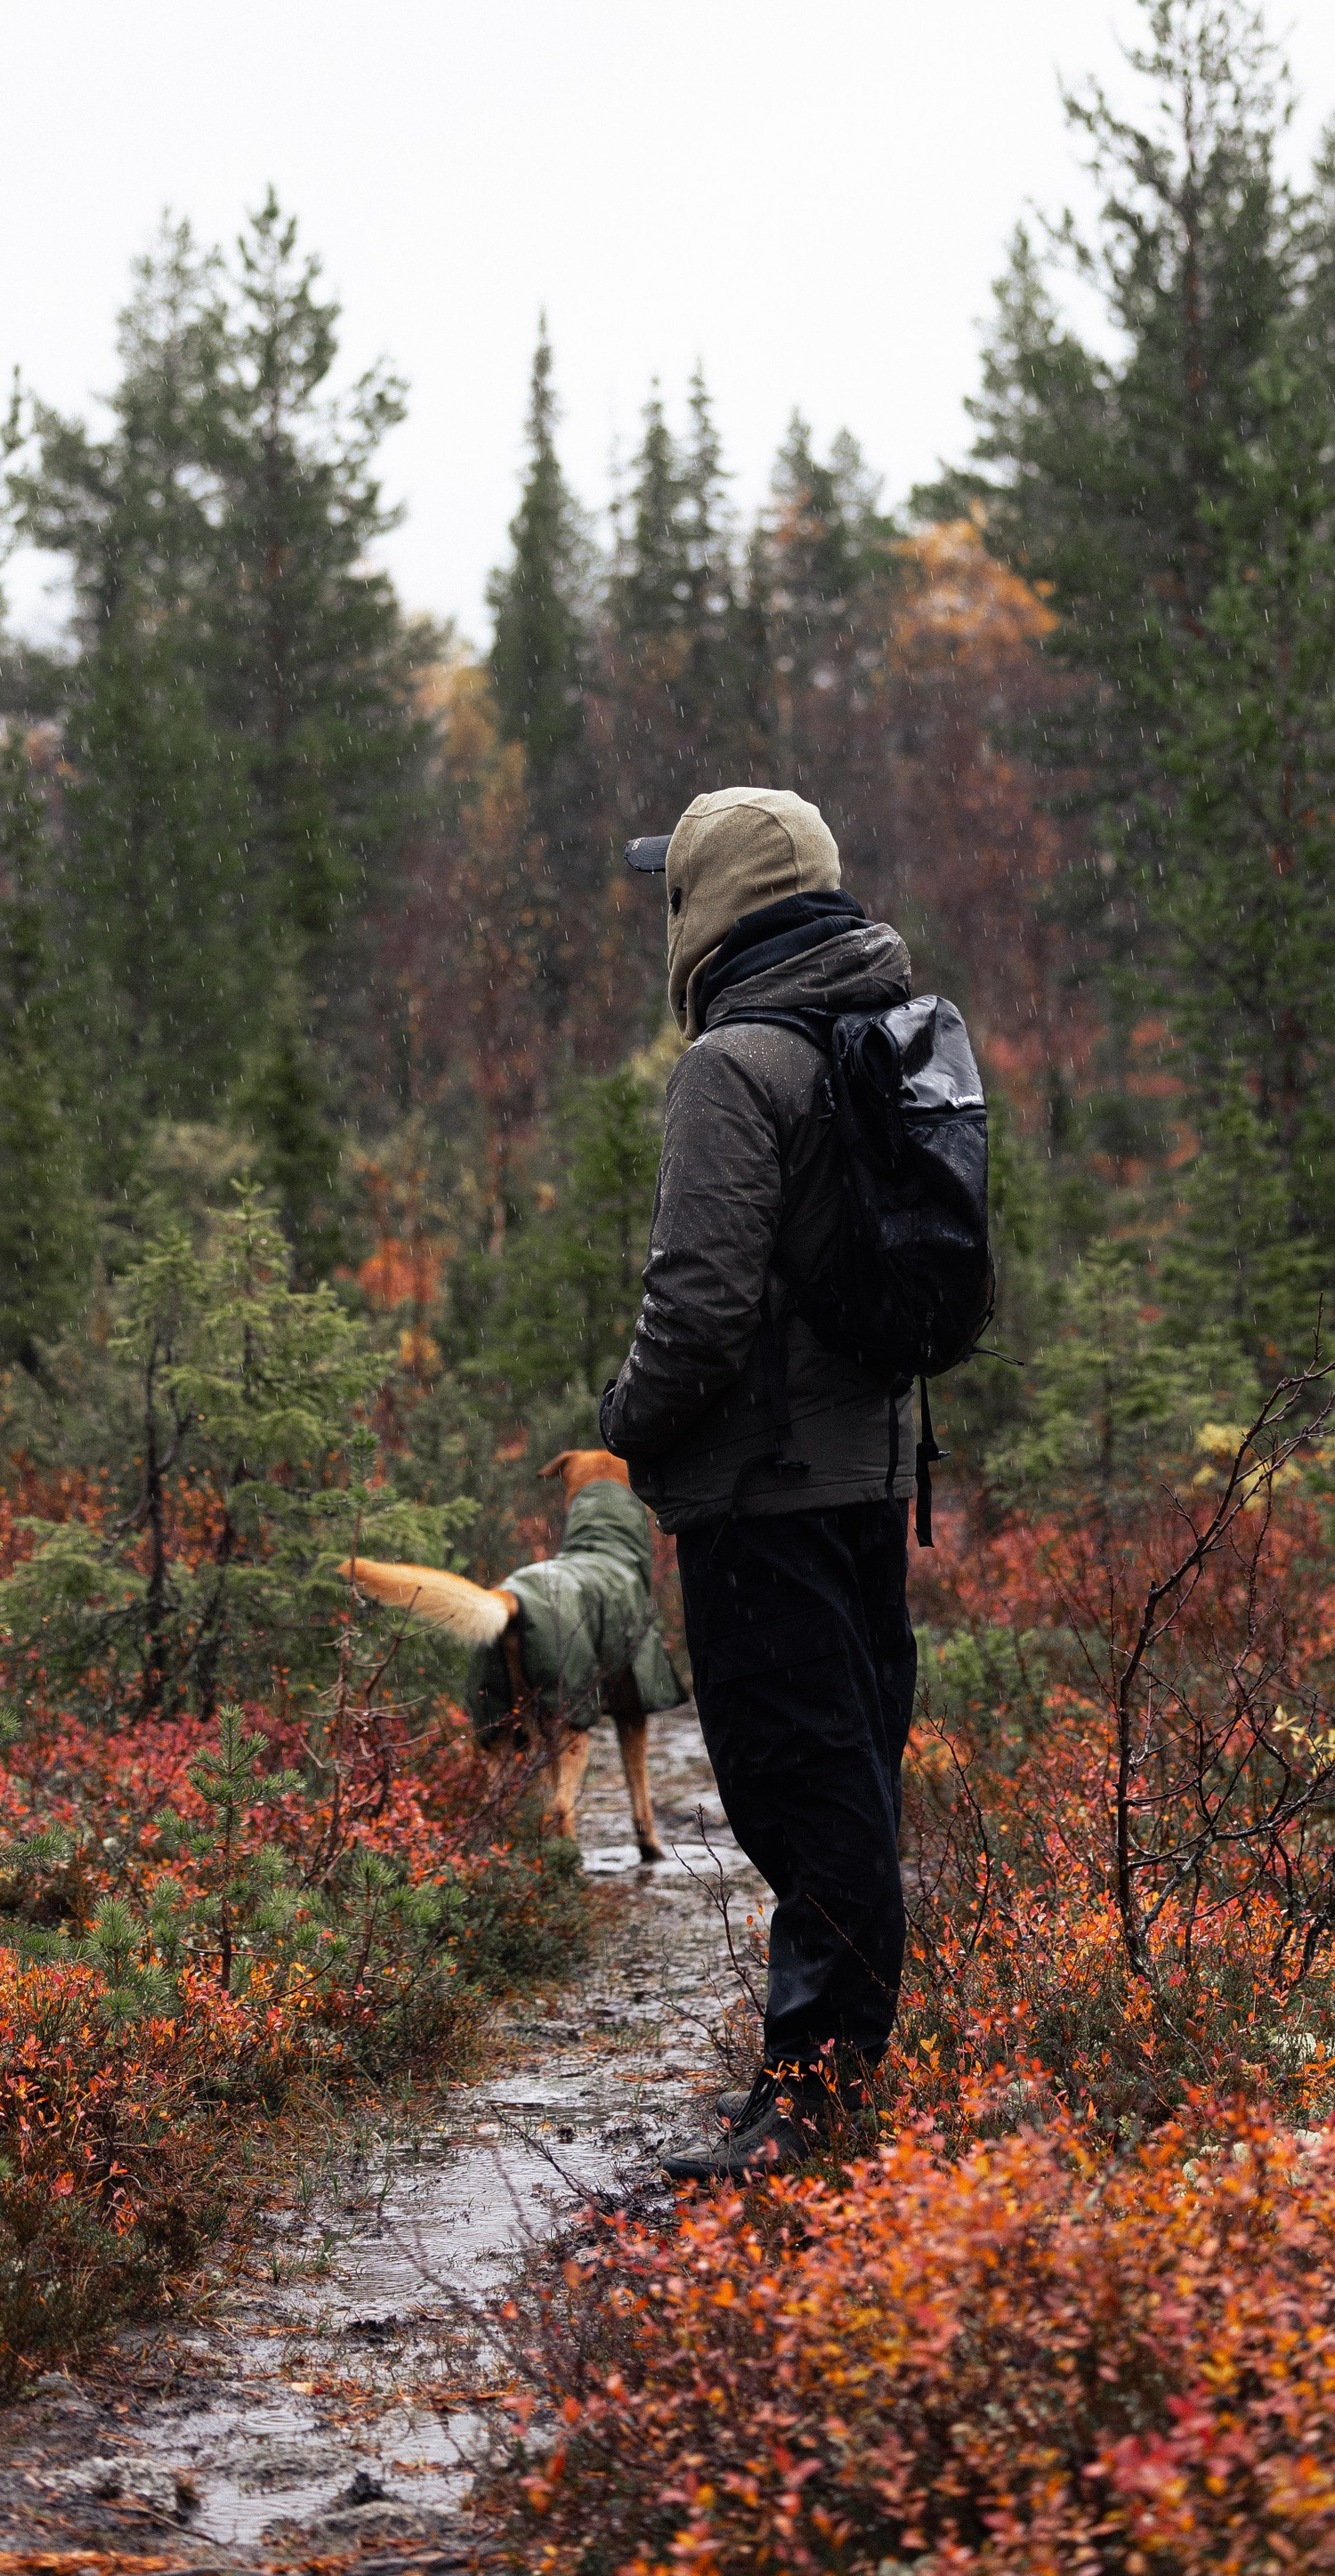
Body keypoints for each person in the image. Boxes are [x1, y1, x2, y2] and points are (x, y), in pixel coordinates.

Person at [599, 784, 918, 2178]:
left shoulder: (734, 1064)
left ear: (707, 904)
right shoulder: (876, 1033)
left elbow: (698, 1310)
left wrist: (626, 1421)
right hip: (867, 1478)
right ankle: (820, 2084)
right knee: (850, 1781)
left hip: (761, 1496)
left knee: (801, 1789)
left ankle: (809, 2108)